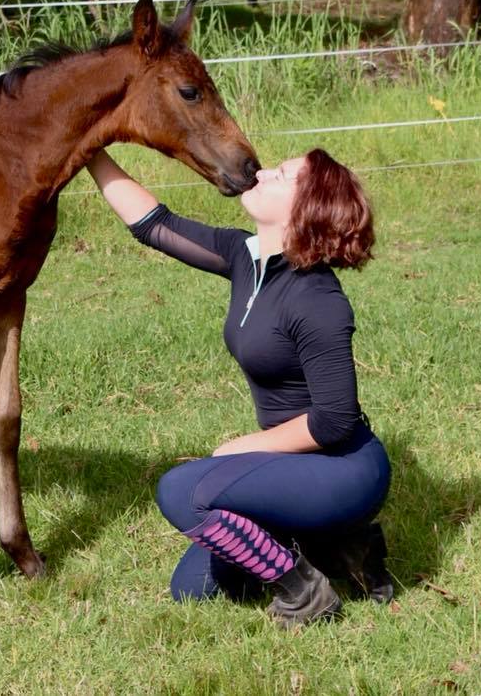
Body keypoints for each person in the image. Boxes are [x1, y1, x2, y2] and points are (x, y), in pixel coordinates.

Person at [86, 147, 393, 627]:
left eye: (284, 174)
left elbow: (334, 420)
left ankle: (305, 592)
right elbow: (153, 224)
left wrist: (243, 447)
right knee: (192, 590)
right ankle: (336, 548)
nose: (264, 171)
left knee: (181, 492)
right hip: (289, 466)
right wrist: (90, 147)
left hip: (343, 470)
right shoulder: (245, 257)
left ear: (307, 207)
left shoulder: (317, 299)